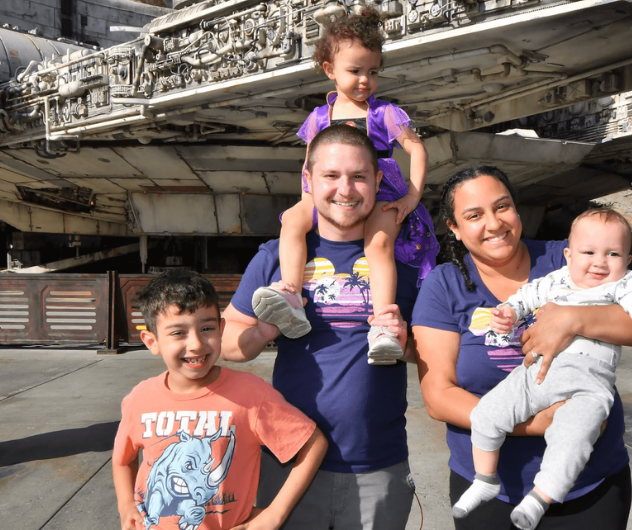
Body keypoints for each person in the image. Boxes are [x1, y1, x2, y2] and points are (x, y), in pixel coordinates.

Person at [412, 165, 632, 529]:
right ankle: (486, 480)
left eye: (502, 206)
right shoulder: (444, 285)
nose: (493, 223)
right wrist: (543, 423)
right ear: (455, 229)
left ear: (517, 210)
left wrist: (574, 319)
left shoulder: (571, 255)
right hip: (495, 487)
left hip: (590, 487)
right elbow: (438, 396)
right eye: (474, 215)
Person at [221, 125, 419, 530]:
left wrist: (406, 342)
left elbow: (431, 351)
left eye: (358, 176)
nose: (345, 189)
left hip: (377, 467)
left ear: (377, 181)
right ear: (308, 180)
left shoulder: (403, 263)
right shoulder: (275, 257)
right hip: (289, 462)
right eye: (331, 176)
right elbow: (227, 342)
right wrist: (262, 332)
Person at [250, 6, 438, 365]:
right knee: (291, 220)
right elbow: (309, 164)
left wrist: (413, 196)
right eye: (355, 71)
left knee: (379, 243)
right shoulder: (319, 117)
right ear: (329, 71)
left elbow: (416, 148)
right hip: (328, 193)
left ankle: (384, 322)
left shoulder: (384, 113)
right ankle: (291, 295)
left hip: (380, 192)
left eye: (373, 72)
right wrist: (308, 203)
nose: (365, 80)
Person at [112, 269, 328, 530]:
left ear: (221, 328)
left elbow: (313, 442)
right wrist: (126, 505)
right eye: (178, 333)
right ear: (152, 341)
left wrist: (274, 515)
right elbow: (122, 459)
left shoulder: (251, 395)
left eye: (206, 328)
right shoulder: (139, 398)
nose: (196, 344)